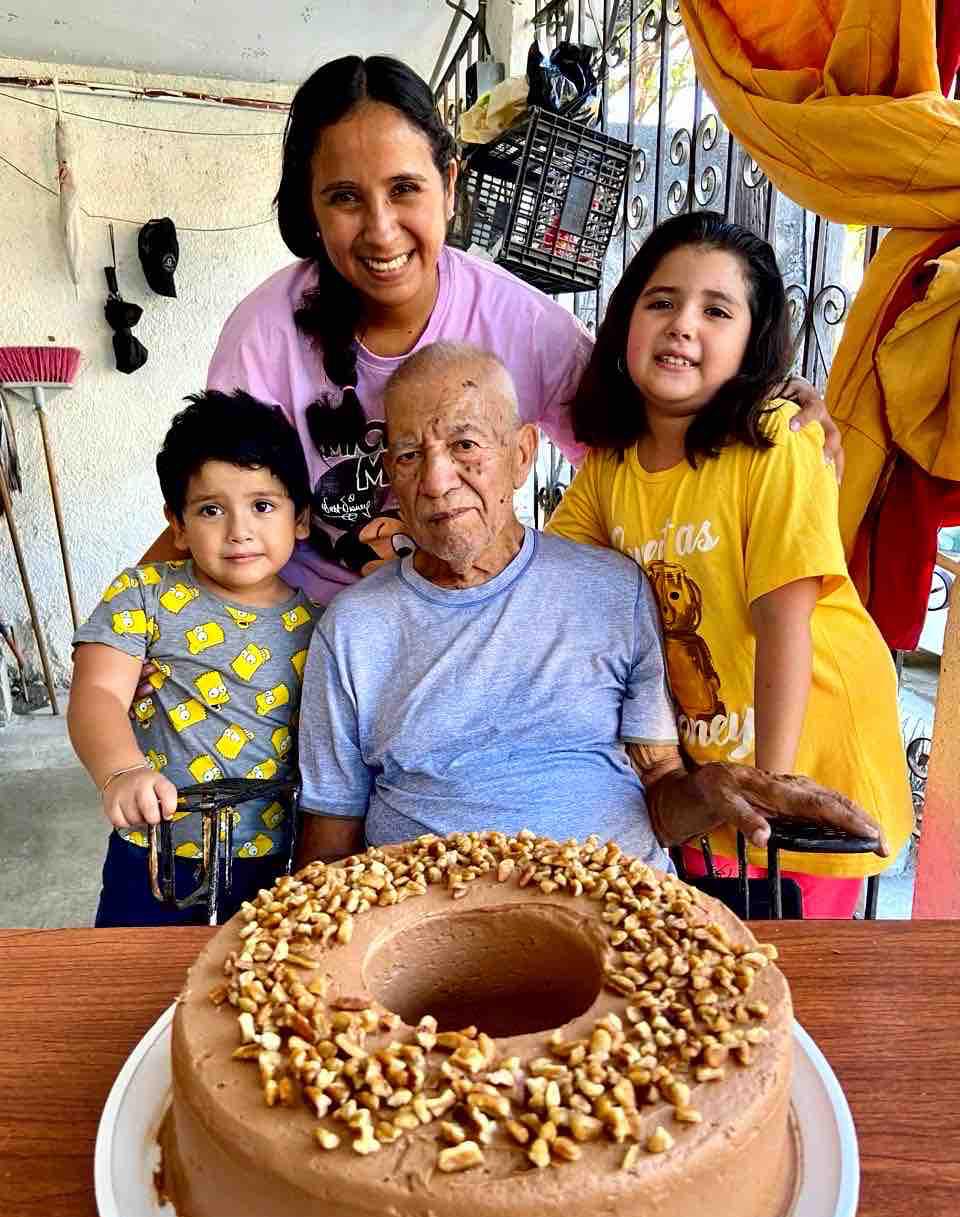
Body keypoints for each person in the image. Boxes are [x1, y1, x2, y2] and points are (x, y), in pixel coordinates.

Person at [140, 53, 838, 602]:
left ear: (449, 185)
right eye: (345, 198)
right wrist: (120, 633)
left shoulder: (523, 326)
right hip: (298, 634)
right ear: (312, 210)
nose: (381, 230)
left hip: (467, 623)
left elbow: (642, 441)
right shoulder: (264, 333)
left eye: (404, 189)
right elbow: (214, 504)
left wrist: (762, 402)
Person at [295, 341, 880, 873]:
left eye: (465, 445)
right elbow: (329, 837)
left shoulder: (611, 590)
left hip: (613, 907)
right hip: (427, 921)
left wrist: (716, 786)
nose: (436, 480)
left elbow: (660, 789)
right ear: (389, 477)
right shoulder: (353, 628)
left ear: (522, 454)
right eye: (408, 456)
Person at [547, 212, 913, 918]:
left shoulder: (776, 441)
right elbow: (548, 575)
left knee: (795, 962)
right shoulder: (611, 468)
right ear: (625, 323)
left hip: (809, 760)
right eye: (661, 302)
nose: (683, 325)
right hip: (712, 777)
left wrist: (774, 785)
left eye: (717, 311)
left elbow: (783, 622)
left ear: (751, 345)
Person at [69, 390, 318, 926]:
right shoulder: (144, 594)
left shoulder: (324, 626)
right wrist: (121, 771)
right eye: (211, 510)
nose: (239, 531)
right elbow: (97, 691)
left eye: (263, 505)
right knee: (130, 974)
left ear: (301, 518)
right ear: (177, 525)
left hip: (274, 861)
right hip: (153, 854)